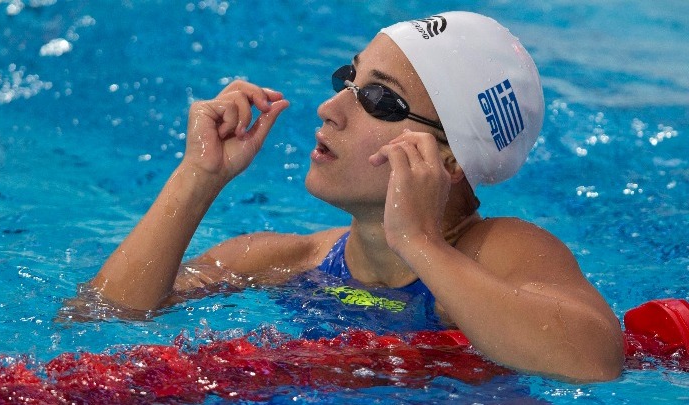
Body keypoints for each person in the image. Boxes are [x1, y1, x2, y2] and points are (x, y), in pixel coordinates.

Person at [86, 11, 624, 381]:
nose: (330, 108)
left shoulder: (499, 251)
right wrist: (196, 178)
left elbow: (595, 360)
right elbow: (101, 318)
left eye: (379, 99)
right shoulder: (288, 261)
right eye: (348, 79)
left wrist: (420, 243)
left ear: (450, 159)